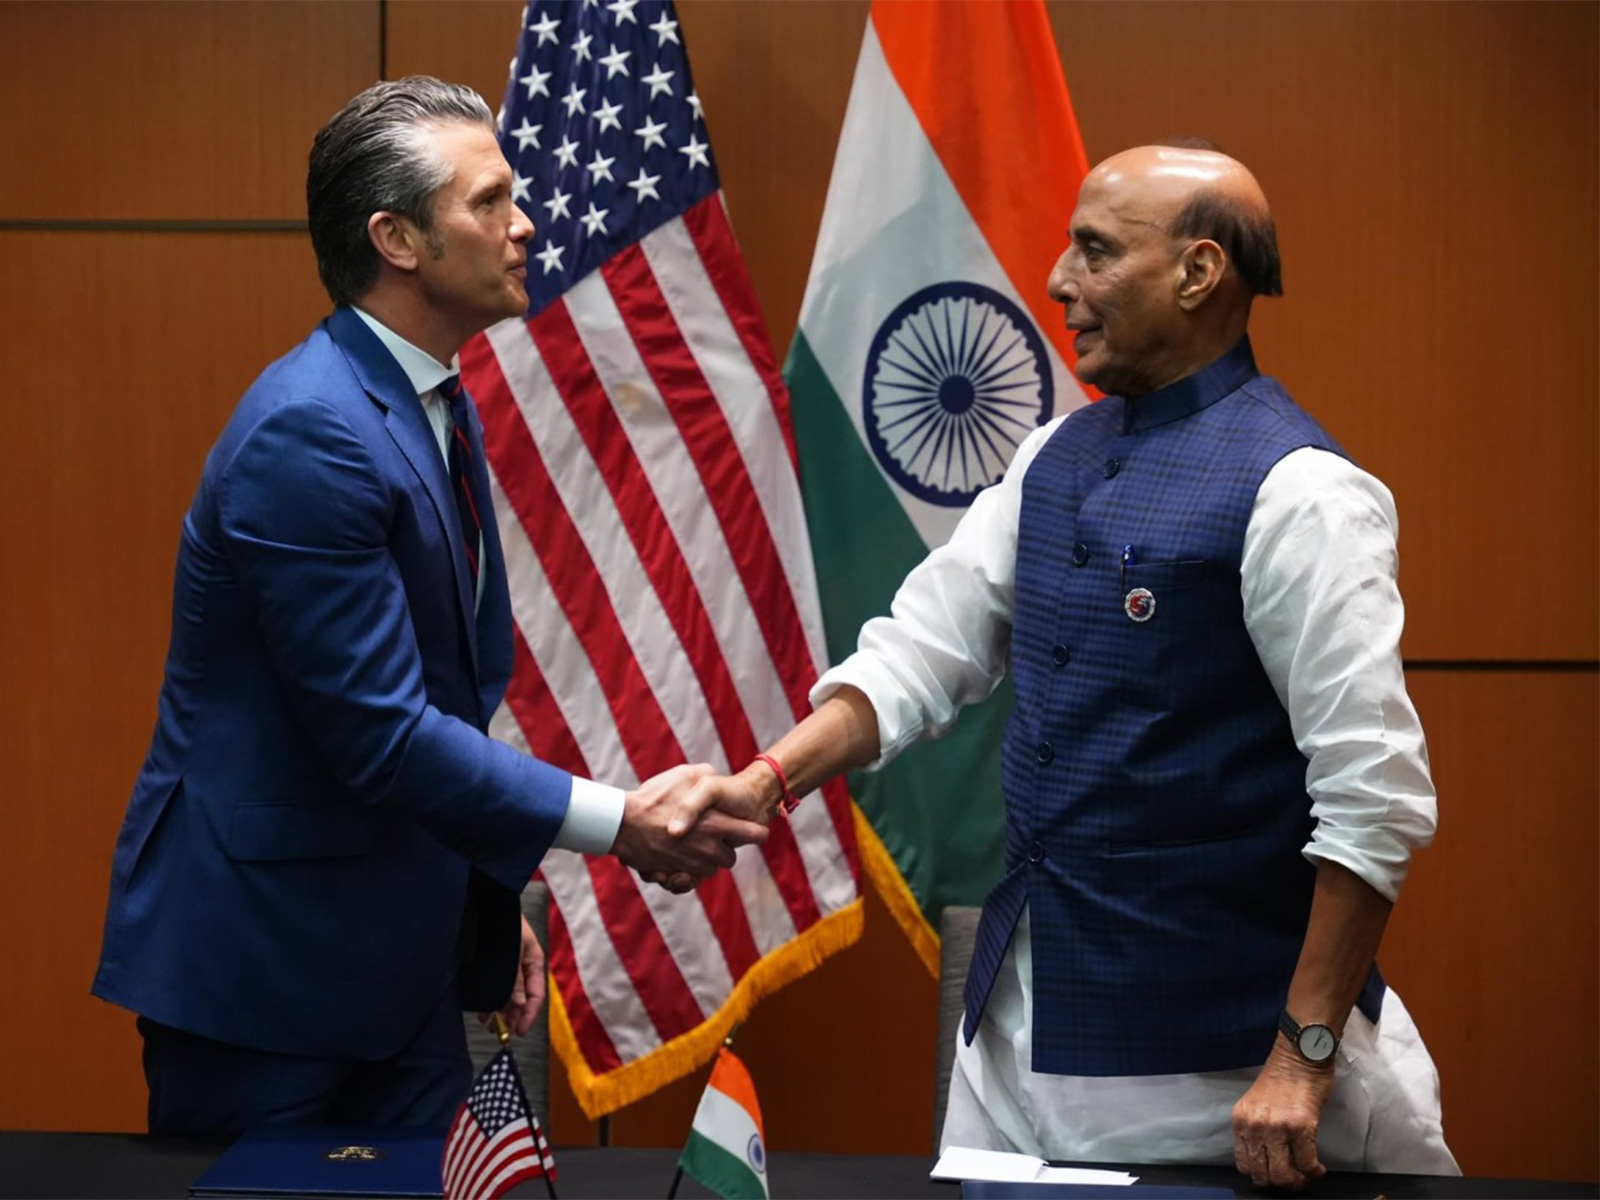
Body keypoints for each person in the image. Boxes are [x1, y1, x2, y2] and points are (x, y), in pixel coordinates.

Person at [667, 144, 1459, 1190]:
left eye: (1095, 250)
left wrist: (1300, 1057)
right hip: (1016, 1050)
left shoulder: (1304, 493)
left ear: (1198, 272)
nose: (1056, 279)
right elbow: (919, 654)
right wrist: (768, 781)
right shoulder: (1049, 457)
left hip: (1227, 1072)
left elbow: (1374, 799)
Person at [91, 76, 766, 1140]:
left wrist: (477, 909)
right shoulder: (310, 432)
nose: (525, 223)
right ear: (397, 239)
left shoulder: (429, 401)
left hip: (400, 959)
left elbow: (446, 697)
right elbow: (381, 734)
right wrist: (619, 823)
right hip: (266, 973)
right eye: (489, 201)